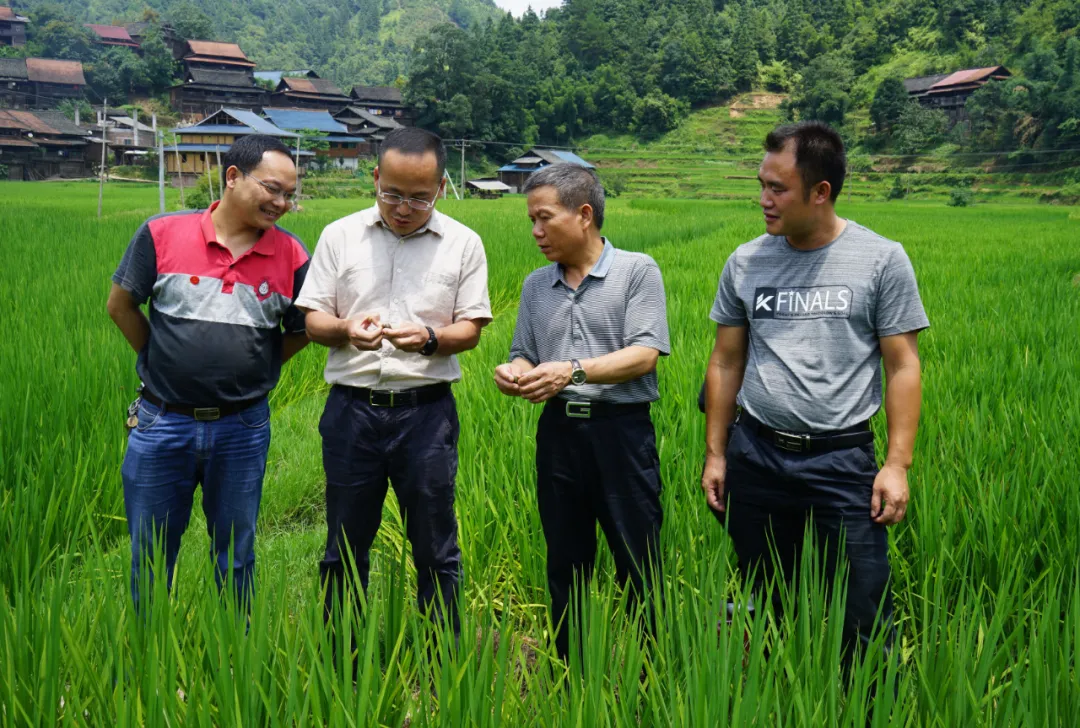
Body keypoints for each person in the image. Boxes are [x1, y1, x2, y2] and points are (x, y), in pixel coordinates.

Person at [701, 121, 929, 661]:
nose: (764, 199)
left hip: (841, 462)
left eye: (777, 188)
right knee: (765, 599)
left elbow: (903, 366)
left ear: (820, 191)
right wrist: (716, 452)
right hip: (756, 456)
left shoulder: (881, 259)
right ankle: (781, 695)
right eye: (762, 184)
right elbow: (725, 359)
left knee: (862, 612)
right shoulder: (746, 261)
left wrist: (896, 464)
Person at [295, 127, 491, 636]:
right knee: (344, 545)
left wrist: (428, 338)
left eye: (420, 197)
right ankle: (342, 663)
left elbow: (469, 329)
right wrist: (345, 329)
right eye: (393, 194)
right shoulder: (339, 236)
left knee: (434, 545)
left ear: (442, 188)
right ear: (375, 178)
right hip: (351, 412)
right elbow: (313, 320)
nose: (404, 207)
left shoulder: (464, 244)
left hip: (425, 414)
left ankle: (441, 664)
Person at [107, 134, 310, 610]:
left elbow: (302, 329)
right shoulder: (161, 233)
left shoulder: (292, 254)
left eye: (289, 195)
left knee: (236, 556)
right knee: (152, 556)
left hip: (242, 426)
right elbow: (121, 306)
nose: (281, 203)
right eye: (272, 189)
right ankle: (150, 660)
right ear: (233, 177)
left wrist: (258, 364)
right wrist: (158, 360)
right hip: (162, 423)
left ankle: (234, 658)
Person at [495, 163, 670, 661]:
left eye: (544, 218)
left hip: (621, 435)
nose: (535, 231)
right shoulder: (535, 286)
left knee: (637, 559)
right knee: (565, 559)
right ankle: (570, 669)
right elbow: (523, 351)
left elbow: (644, 354)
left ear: (584, 214)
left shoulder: (637, 271)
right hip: (559, 436)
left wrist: (569, 372)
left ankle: (647, 673)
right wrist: (515, 372)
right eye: (531, 220)